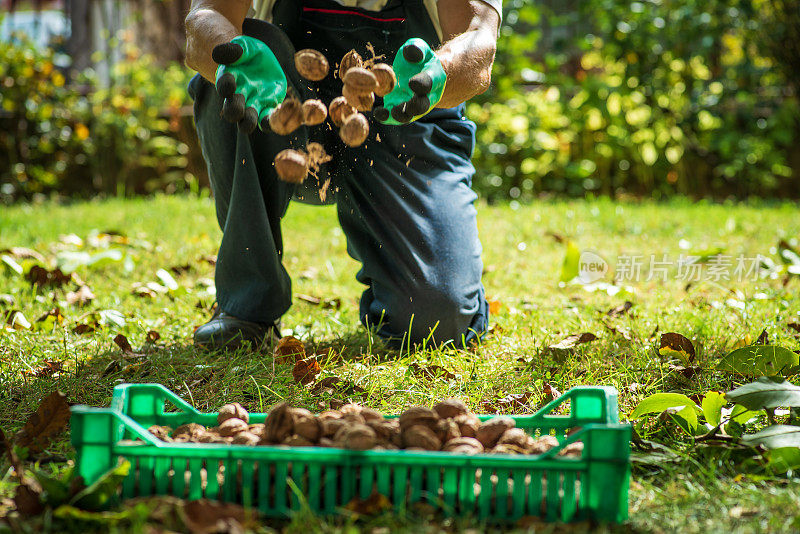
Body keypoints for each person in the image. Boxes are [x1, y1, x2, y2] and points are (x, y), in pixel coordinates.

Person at [184, 0, 501, 351]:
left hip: (404, 112)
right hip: (279, 103)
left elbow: (479, 37)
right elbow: (205, 18)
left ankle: (433, 287)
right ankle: (246, 305)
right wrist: (230, 52)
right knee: (236, 55)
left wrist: (439, 72)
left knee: (434, 325)